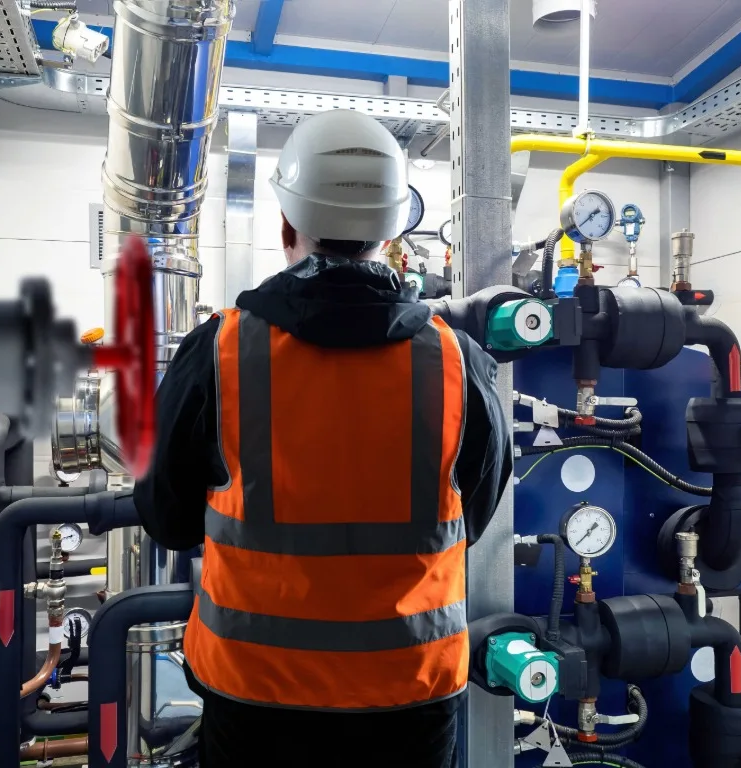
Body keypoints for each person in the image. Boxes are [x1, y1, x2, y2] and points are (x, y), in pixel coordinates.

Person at [133, 108, 512, 768]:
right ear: (394, 232)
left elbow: (165, 517)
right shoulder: (460, 363)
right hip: (410, 701)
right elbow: (471, 518)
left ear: (287, 226)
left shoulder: (219, 353)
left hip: (256, 700)